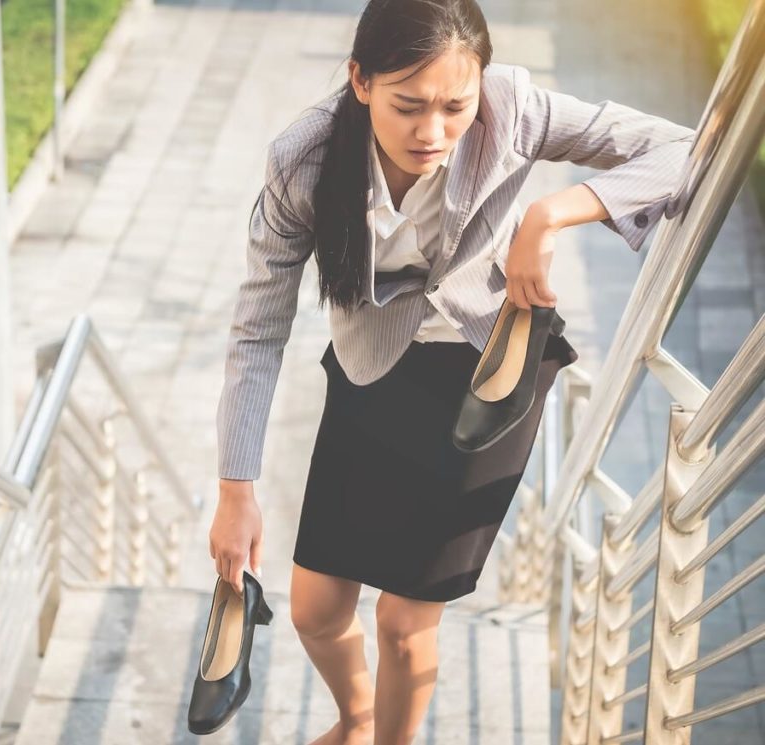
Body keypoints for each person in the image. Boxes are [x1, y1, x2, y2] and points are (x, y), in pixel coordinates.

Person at [209, 0, 695, 742]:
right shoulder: (302, 160)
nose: (432, 132)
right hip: (372, 370)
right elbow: (257, 327)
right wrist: (234, 490)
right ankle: (358, 717)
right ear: (360, 81)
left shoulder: (514, 110)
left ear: (481, 89)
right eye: (407, 106)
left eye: (453, 107)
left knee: (403, 621)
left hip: (489, 370)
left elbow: (680, 149)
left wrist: (552, 214)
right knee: (313, 609)